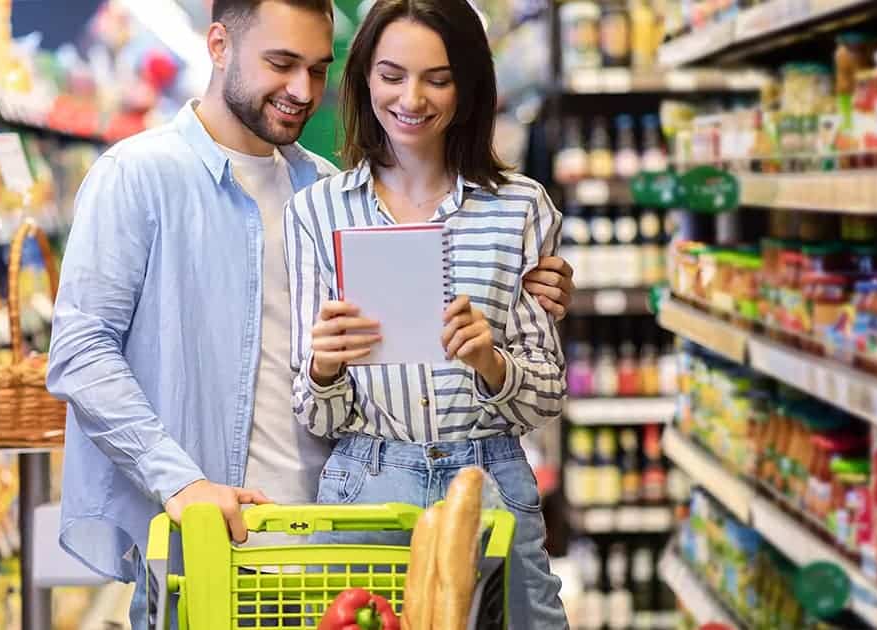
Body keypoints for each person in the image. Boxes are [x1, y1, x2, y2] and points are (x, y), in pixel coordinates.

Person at [45, 0, 575, 626]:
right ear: (218, 46)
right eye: (281, 63)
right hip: (214, 539)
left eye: (318, 69)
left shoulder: (322, 190)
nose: (301, 91)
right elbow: (81, 353)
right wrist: (180, 482)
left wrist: (526, 295)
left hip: (334, 534)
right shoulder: (137, 176)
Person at [284, 0, 568, 627]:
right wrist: (326, 368)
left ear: (468, 86)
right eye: (391, 75)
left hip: (489, 481)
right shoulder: (318, 213)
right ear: (362, 79)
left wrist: (490, 362)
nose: (412, 98)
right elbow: (318, 414)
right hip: (367, 482)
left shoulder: (520, 208)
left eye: (437, 78)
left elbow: (546, 398)